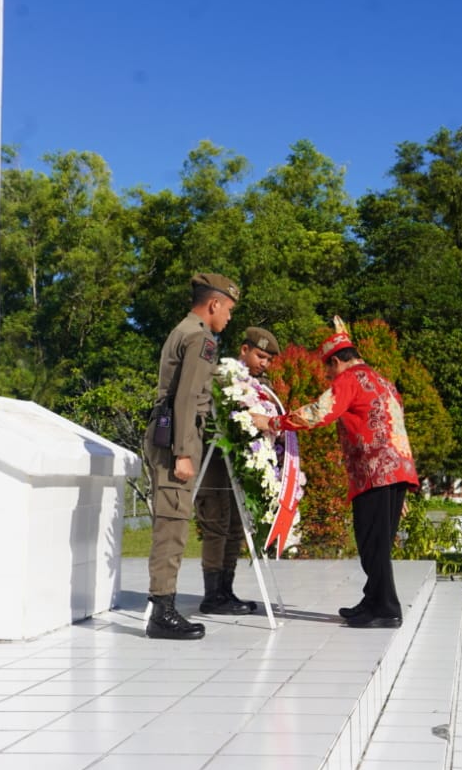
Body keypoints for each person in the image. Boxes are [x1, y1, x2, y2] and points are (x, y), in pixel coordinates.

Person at [252, 319, 419, 628]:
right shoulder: (383, 381)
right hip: (395, 471)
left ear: (338, 360)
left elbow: (320, 412)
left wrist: (272, 423)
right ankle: (373, 600)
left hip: (373, 473)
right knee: (377, 541)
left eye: (328, 371)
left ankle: (386, 608)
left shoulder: (350, 380)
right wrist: (401, 484)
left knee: (372, 543)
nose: (328, 378)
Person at [143, 272, 239, 639]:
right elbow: (185, 398)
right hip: (175, 440)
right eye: (228, 309)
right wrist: (183, 453)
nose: (228, 317)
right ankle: (161, 613)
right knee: (172, 525)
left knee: (174, 521)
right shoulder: (200, 337)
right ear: (213, 304)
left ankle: (162, 607)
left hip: (171, 434)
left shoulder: (184, 330)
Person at [196, 326, 280, 616]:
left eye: (268, 359)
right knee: (216, 525)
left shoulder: (260, 385)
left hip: (239, 465)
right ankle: (212, 595)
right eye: (260, 356)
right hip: (214, 462)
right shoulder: (221, 376)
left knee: (234, 527)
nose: (264, 363)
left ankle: (225, 590)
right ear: (244, 350)